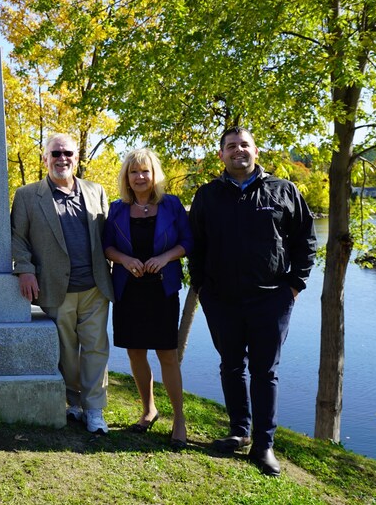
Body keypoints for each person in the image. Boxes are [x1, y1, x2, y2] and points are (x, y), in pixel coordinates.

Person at [189, 126, 317, 476]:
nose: (238, 150)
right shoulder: (208, 195)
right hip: (221, 300)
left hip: (271, 299)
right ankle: (239, 431)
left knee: (264, 371)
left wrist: (294, 286)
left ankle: (263, 445)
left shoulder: (283, 190)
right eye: (231, 146)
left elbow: (306, 241)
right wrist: (202, 288)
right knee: (231, 365)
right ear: (221, 155)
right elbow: (195, 244)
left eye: (244, 144)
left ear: (256, 151)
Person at [10, 133, 114, 434]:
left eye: (67, 153)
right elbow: (18, 238)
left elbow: (109, 236)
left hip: (95, 286)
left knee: (96, 349)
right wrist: (25, 270)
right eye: (55, 153)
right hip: (55, 288)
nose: (62, 159)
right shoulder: (27, 195)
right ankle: (74, 402)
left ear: (76, 158)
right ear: (45, 159)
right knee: (67, 353)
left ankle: (94, 409)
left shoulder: (96, 191)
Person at [103, 149, 193, 449]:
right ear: (126, 177)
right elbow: (107, 246)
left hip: (162, 290)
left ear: (154, 175)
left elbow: (188, 241)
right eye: (134, 172)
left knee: (167, 354)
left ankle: (179, 418)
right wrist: (125, 260)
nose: (140, 177)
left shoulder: (172, 205)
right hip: (129, 290)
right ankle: (148, 410)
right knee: (135, 352)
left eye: (145, 171)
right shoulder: (117, 209)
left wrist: (165, 257)